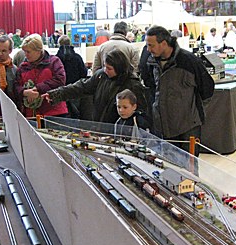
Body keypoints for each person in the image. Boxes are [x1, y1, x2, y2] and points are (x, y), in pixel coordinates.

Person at [142, 25, 214, 156]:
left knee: (189, 169)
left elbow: (207, 88)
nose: (148, 49)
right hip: (163, 126)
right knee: (170, 168)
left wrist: (192, 112)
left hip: (188, 127)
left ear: (163, 43)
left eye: (151, 45)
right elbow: (150, 87)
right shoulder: (150, 62)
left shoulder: (189, 61)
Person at [43, 49, 147, 124]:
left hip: (123, 131)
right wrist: (56, 94)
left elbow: (142, 112)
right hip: (101, 127)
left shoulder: (133, 85)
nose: (106, 70)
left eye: (109, 68)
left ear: (119, 68)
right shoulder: (101, 76)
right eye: (105, 67)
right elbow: (81, 87)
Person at [14, 34, 68, 118]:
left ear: (38, 51)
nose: (26, 55)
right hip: (31, 114)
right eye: (25, 52)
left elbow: (60, 80)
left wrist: (38, 88)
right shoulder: (22, 67)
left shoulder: (54, 62)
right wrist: (24, 92)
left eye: (28, 52)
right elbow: (16, 86)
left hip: (54, 112)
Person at [56, 35, 88, 119]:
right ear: (70, 43)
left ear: (59, 44)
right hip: (76, 89)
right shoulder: (77, 57)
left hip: (61, 89)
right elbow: (84, 72)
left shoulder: (56, 58)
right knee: (76, 113)